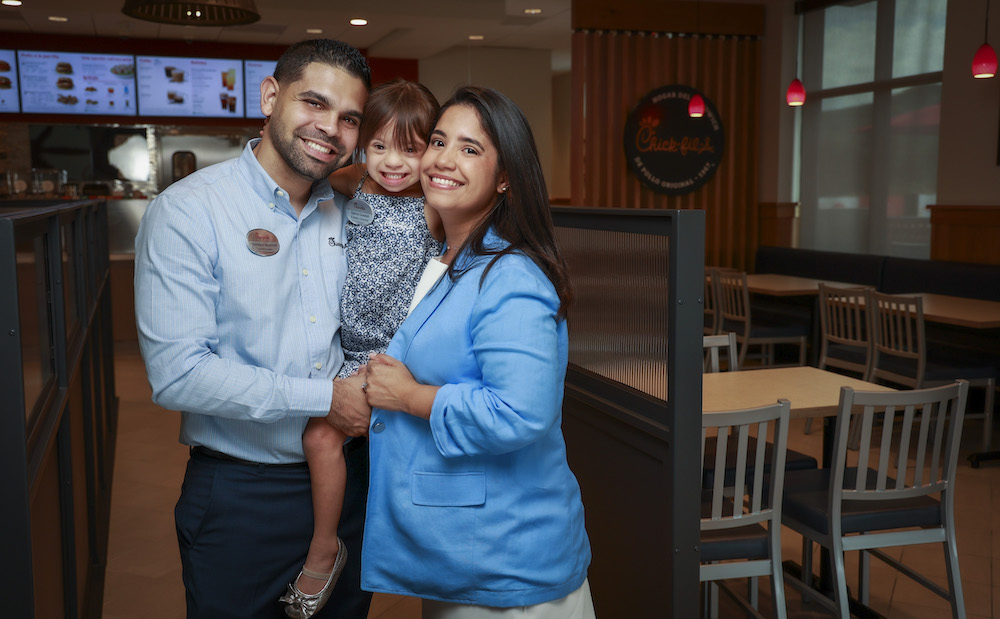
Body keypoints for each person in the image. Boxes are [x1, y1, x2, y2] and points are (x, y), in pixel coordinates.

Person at [133, 39, 374, 619]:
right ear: (270, 97)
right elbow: (178, 376)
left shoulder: (357, 213)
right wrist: (326, 399)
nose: (330, 129)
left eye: (349, 118)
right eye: (314, 103)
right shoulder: (190, 210)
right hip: (241, 498)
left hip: (349, 486)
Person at [361, 86, 596, 618]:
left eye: (470, 149)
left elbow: (519, 412)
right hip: (457, 551)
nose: (443, 159)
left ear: (505, 176)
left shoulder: (511, 275)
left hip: (506, 558)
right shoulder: (449, 258)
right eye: (439, 141)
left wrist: (410, 397)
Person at [282, 78, 443, 618]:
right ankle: (327, 544)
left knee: (363, 446)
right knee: (320, 437)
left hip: (395, 355)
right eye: (379, 146)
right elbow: (334, 177)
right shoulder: (356, 184)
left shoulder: (432, 205)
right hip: (351, 349)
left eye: (410, 150)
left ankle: (387, 549)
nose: (393, 162)